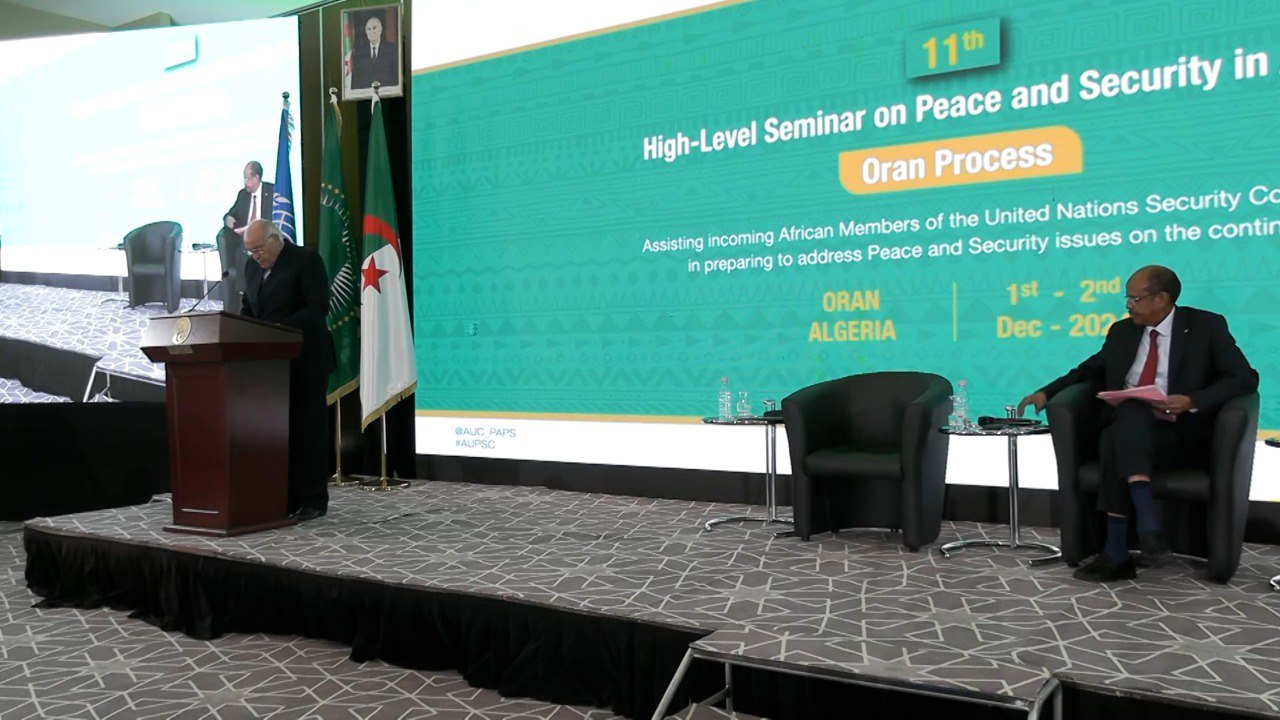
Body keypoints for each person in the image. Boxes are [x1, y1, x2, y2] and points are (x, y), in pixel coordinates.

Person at [1016, 265, 1257, 581]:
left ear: (1161, 298)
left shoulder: (1205, 326)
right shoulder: (1122, 332)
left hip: (1178, 434)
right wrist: (1047, 392)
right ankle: (1146, 522)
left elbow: (1244, 377)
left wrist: (1192, 399)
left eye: (1135, 298)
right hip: (1129, 429)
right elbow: (1088, 369)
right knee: (1128, 415)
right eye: (1127, 298)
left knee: (1114, 440)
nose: (1128, 305)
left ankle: (1118, 550)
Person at [240, 219, 335, 521]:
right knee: (281, 432)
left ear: (275, 238)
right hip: (271, 365)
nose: (256, 256)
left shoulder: (306, 260)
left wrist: (277, 329)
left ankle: (314, 500)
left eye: (259, 249)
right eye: (251, 251)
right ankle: (286, 498)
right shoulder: (251, 268)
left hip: (306, 359)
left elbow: (317, 308)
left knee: (308, 430)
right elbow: (249, 307)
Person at [218, 161, 274, 306]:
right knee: (243, 248)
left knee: (244, 248)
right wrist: (228, 218)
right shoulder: (243, 194)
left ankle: (244, 295)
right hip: (245, 240)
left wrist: (254, 229)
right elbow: (231, 213)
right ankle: (242, 295)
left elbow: (274, 220)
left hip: (265, 238)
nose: (245, 183)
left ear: (256, 178)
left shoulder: (272, 191)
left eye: (247, 179)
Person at [351, 14, 399, 90]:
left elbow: (396, 76)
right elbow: (356, 79)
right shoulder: (359, 52)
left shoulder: (392, 49)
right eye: (369, 29)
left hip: (387, 92)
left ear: (380, 29)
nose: (371, 31)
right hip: (365, 93)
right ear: (366, 31)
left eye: (374, 28)